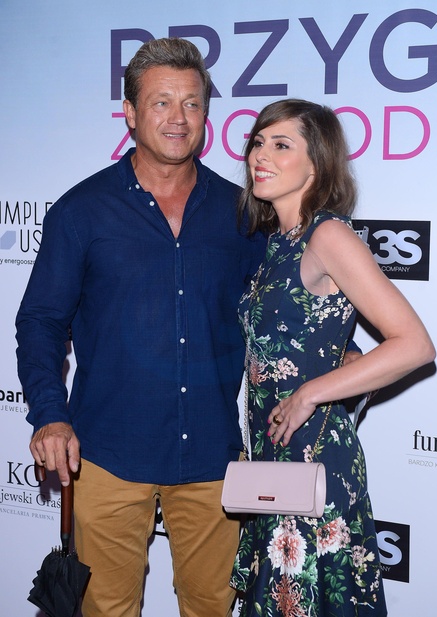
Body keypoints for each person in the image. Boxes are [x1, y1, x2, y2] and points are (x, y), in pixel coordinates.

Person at [15, 38, 268, 617]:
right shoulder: (81, 211)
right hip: (108, 454)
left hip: (211, 457)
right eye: (161, 103)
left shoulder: (243, 213)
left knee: (212, 607)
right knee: (106, 609)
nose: (179, 118)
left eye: (193, 103)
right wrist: (49, 414)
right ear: (130, 112)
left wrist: (338, 352)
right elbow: (41, 321)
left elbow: (280, 307)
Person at [229, 99, 435, 616]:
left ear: (316, 164)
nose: (260, 155)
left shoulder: (328, 234)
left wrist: (310, 393)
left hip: (315, 455)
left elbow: (414, 344)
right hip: (274, 456)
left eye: (281, 145)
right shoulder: (277, 243)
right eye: (258, 142)